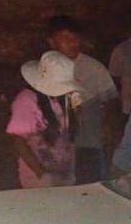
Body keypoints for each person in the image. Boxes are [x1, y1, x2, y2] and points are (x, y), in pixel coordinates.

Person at [45, 15, 118, 183]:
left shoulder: (93, 68)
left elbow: (111, 101)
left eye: (75, 38)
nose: (73, 43)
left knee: (87, 184)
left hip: (88, 141)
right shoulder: (44, 68)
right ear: (51, 41)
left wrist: (108, 128)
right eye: (66, 38)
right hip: (55, 145)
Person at [7, 51, 82, 188]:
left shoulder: (65, 98)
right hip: (39, 176)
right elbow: (19, 141)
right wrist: (40, 173)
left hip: (66, 171)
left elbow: (71, 132)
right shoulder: (26, 100)